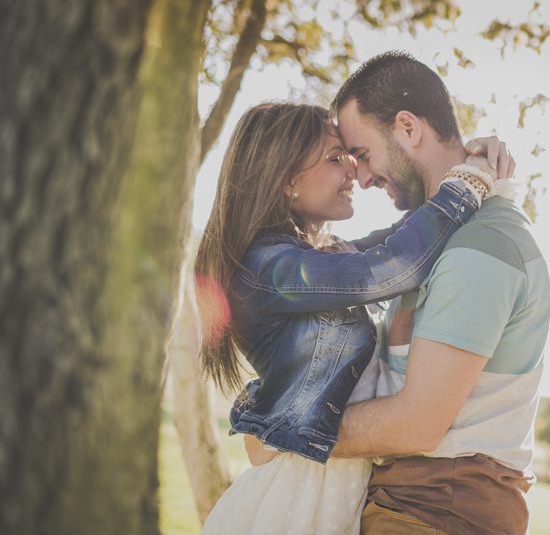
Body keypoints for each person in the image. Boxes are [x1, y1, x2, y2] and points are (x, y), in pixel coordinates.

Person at [196, 101, 511, 534]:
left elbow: (400, 240)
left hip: (333, 488)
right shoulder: (271, 268)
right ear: (286, 181)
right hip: (293, 498)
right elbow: (391, 265)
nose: (352, 171)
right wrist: (466, 183)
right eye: (334, 157)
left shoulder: (310, 259)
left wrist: (463, 168)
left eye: (350, 154)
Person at [323, 51, 550, 535]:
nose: (360, 178)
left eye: (362, 154)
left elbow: (418, 423)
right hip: (410, 506)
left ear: (408, 128)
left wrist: (288, 429)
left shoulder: (482, 247)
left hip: (438, 513)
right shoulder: (432, 239)